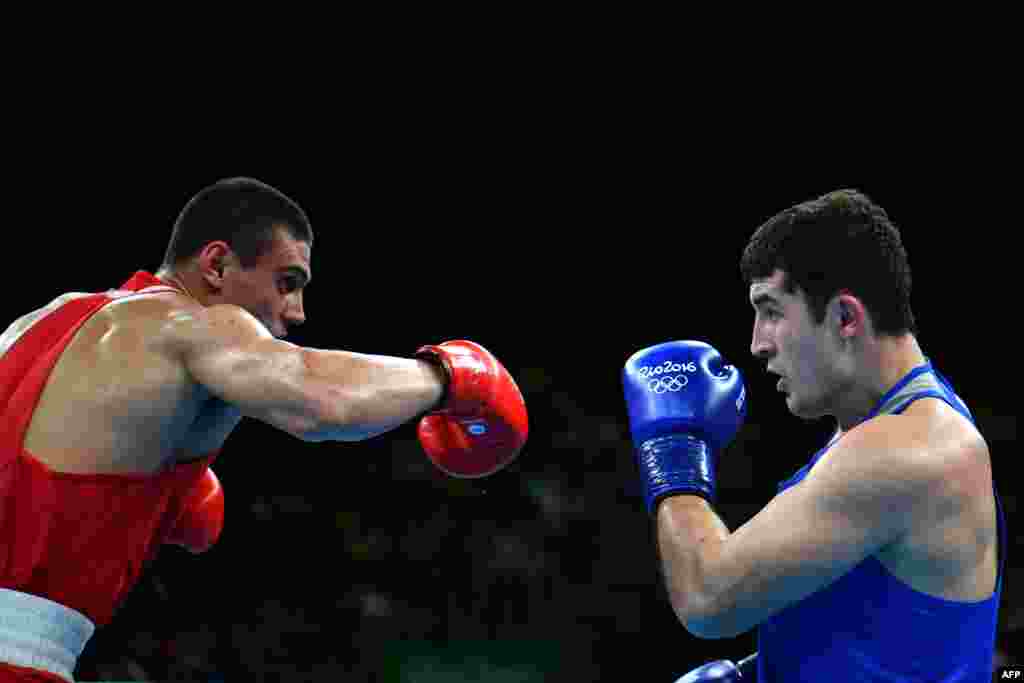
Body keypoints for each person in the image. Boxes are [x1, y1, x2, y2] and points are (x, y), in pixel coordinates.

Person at [0, 177, 528, 682]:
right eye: (287, 282)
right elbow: (323, 401)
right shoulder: (193, 324)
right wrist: (451, 377)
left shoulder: (41, 321)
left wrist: (156, 497)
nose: (296, 312)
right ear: (217, 264)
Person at [622, 189, 1003, 681]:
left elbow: (707, 597)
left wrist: (672, 445)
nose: (757, 343)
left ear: (845, 317)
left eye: (773, 310)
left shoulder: (912, 449)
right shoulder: (890, 428)